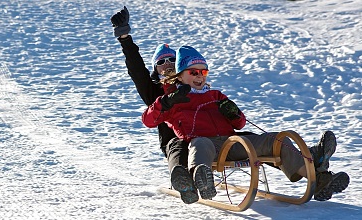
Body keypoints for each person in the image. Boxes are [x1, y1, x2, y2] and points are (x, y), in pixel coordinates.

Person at [142, 45, 350, 204]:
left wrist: (233, 113)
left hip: (233, 143)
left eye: (203, 72)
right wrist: (166, 102)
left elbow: (240, 124)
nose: (199, 77)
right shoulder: (174, 98)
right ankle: (201, 180)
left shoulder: (216, 95)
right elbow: (148, 120)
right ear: (180, 75)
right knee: (200, 144)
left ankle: (318, 178)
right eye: (193, 72)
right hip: (206, 146)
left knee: (276, 139)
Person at [110, 7, 190, 183]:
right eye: (161, 61)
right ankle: (182, 180)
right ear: (156, 68)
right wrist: (124, 37)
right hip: (174, 141)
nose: (167, 63)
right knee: (178, 147)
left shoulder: (190, 82)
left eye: (171, 59)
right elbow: (136, 69)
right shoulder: (154, 91)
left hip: (203, 135)